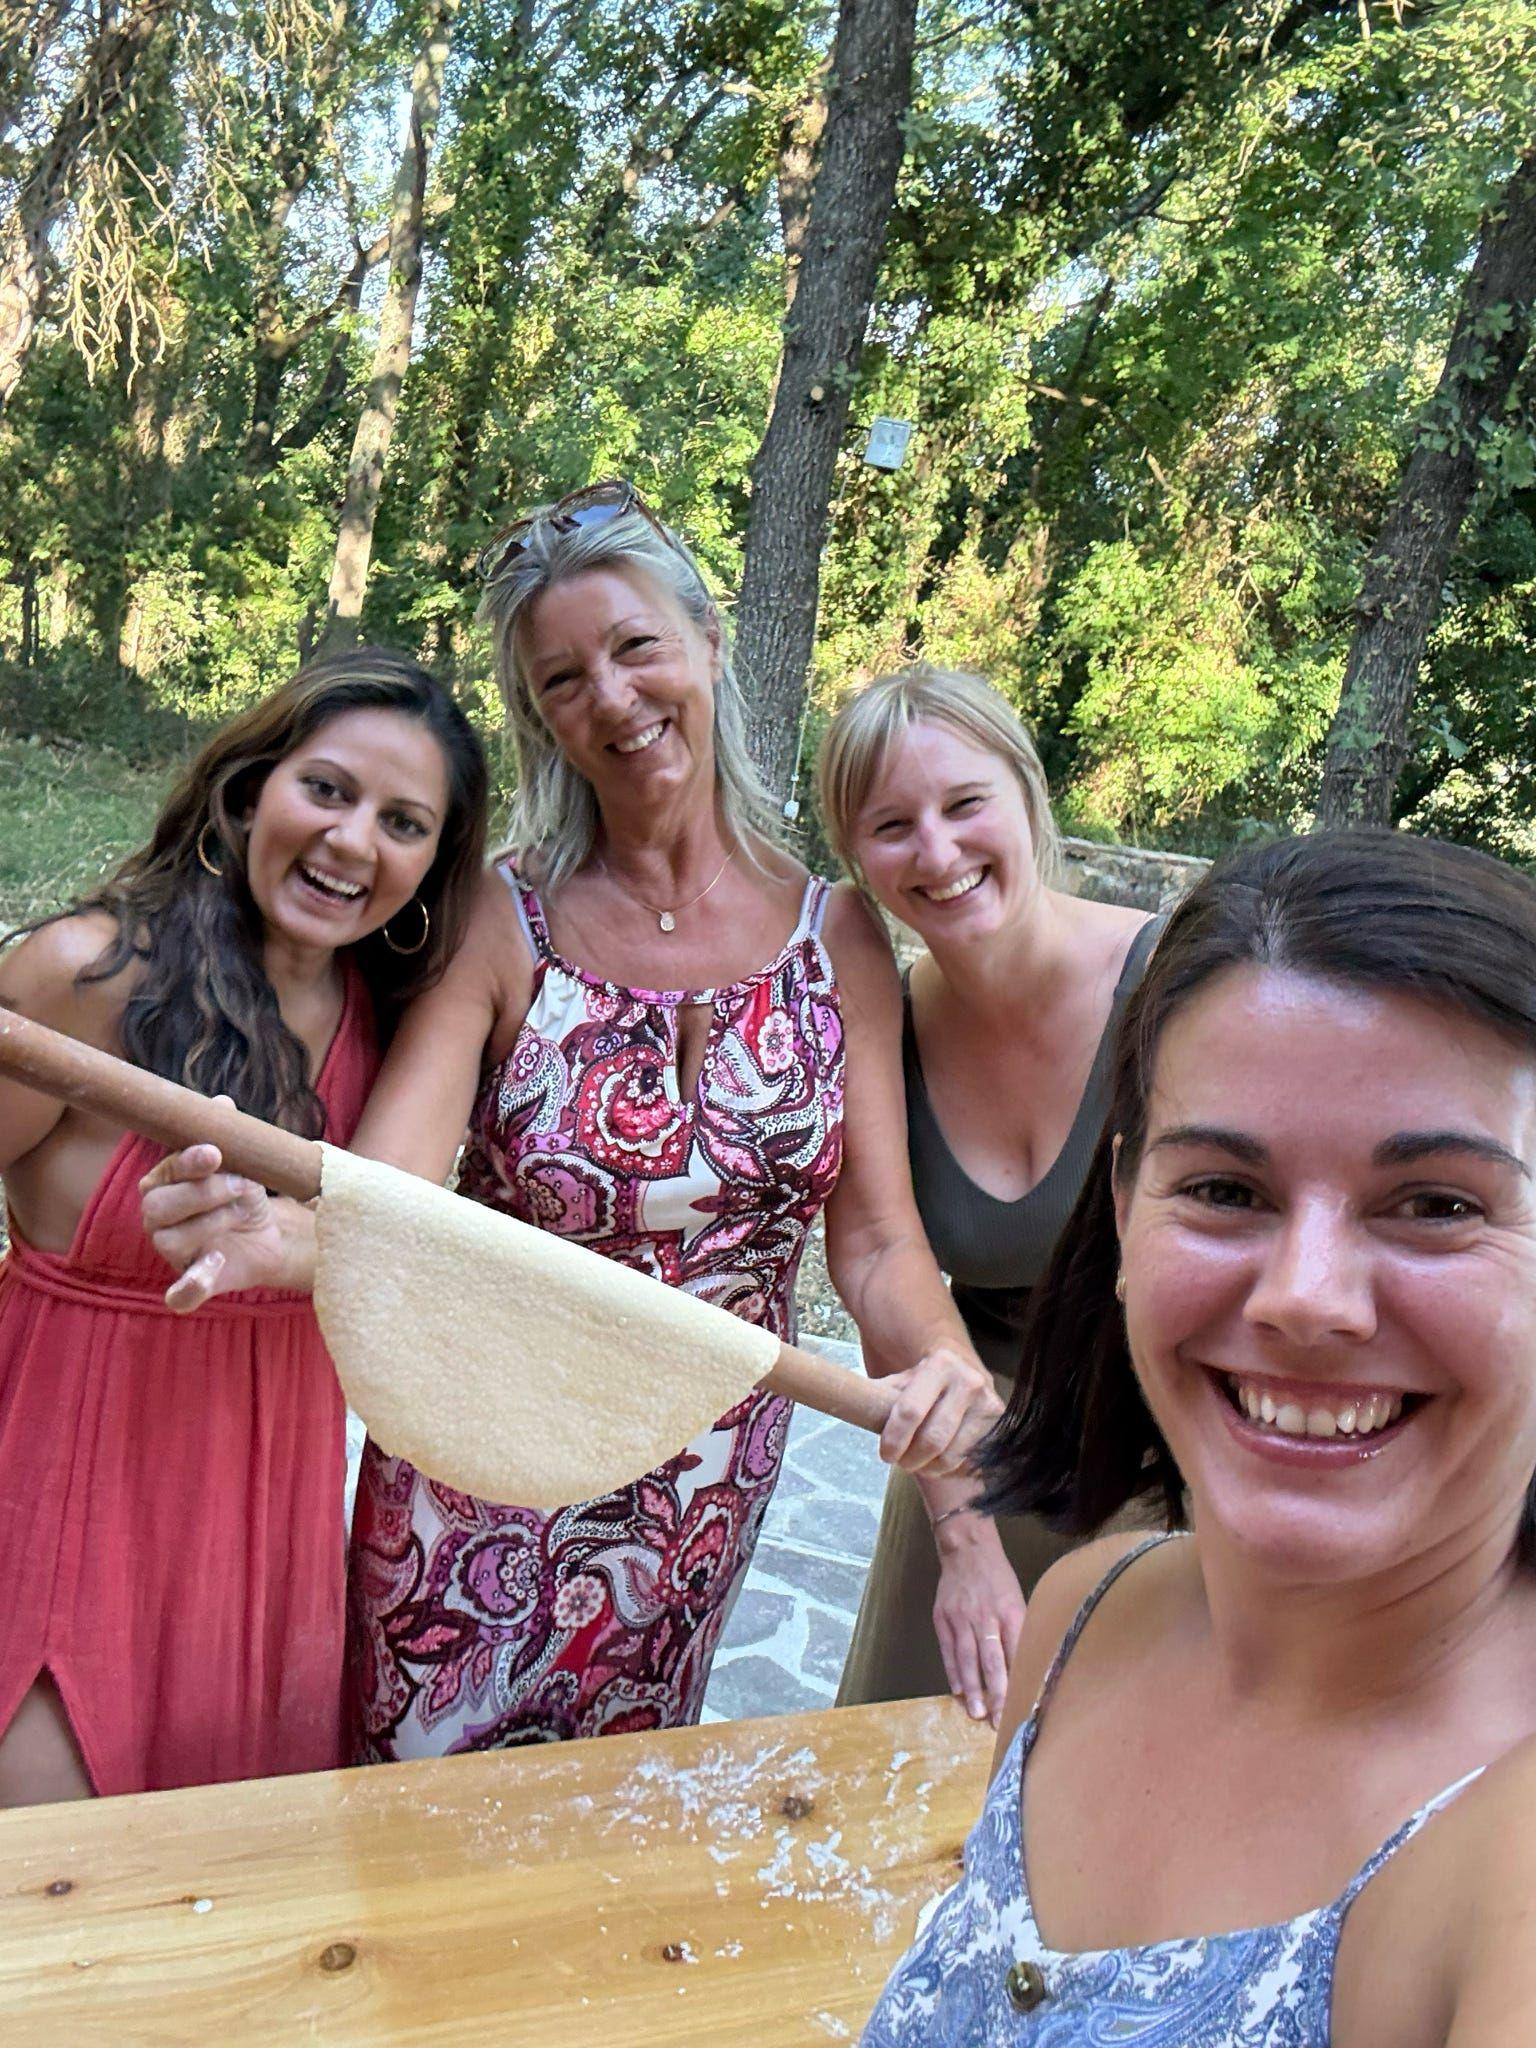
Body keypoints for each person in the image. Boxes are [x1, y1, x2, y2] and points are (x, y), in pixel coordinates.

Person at [143, 481, 1001, 1758]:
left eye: (636, 647)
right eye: (562, 679)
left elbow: (874, 1241)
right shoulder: (505, 916)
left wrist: (948, 1435)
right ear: (540, 716)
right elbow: (387, 1195)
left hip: (700, 1484)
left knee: (602, 1831)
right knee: (410, 1823)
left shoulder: (841, 939)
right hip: (475, 1460)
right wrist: (280, 1237)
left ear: (710, 640)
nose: (610, 696)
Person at [862, 829, 1536, 2047]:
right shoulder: (1078, 1616)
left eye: (1438, 1203)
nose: (1305, 1294)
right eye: (1227, 1188)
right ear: (1120, 1209)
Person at [0, 648, 487, 1802]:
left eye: (404, 820)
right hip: (68, 1482)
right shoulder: (87, 974)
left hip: (261, 1530)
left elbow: (407, 1246)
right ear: (251, 787)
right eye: (326, 789)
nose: (353, 840)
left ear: (431, 864)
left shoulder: (389, 1023)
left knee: (215, 1911)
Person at [817, 665, 1160, 1727]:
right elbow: (882, 1254)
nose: (938, 851)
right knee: (901, 1781)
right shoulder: (884, 1014)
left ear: (1026, 794)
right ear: (856, 856)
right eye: (891, 825)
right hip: (970, 1455)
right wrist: (962, 1532)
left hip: (1161, 1454)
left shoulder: (1169, 977)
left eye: (965, 804)